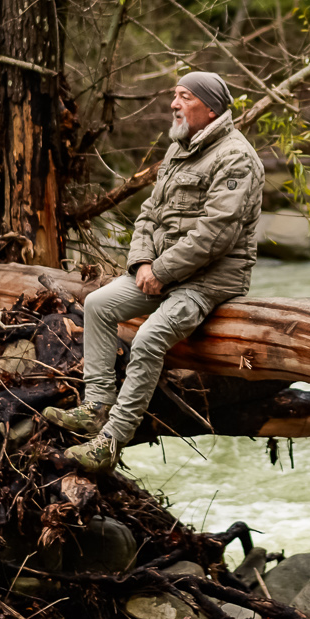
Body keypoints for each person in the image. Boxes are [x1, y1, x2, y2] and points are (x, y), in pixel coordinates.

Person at [44, 71, 264, 472]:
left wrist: (161, 270)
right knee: (97, 304)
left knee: (147, 339)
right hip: (162, 273)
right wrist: (143, 263)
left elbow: (216, 233)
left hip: (209, 282)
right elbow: (149, 214)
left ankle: (110, 442)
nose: (174, 104)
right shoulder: (182, 148)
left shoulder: (236, 157)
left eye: (184, 96)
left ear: (210, 106)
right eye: (174, 95)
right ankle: (95, 406)